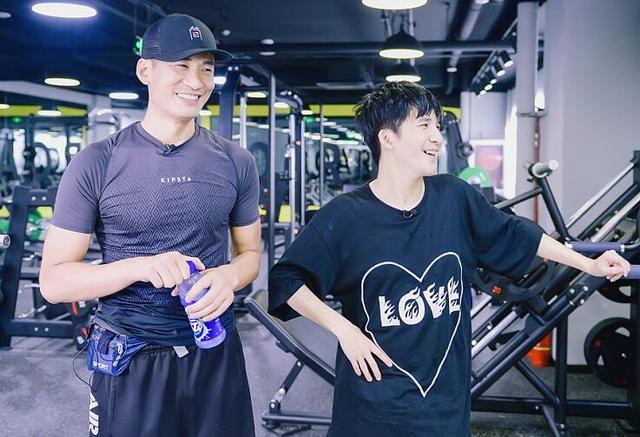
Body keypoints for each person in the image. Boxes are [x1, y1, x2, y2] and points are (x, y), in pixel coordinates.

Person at [268, 81, 631, 436]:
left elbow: (517, 234)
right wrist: (343, 329)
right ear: (387, 138)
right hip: (374, 404)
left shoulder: (454, 197)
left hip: (445, 402)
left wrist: (589, 264)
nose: (437, 138)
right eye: (424, 125)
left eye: (438, 127)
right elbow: (286, 281)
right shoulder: (346, 215)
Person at [39, 14, 259, 437]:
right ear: (145, 71)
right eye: (181, 65)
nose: (196, 81)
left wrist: (229, 277)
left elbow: (250, 255)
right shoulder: (97, 162)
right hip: (131, 356)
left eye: (206, 68)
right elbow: (54, 282)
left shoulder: (237, 161)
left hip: (214, 351)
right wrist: (141, 266)